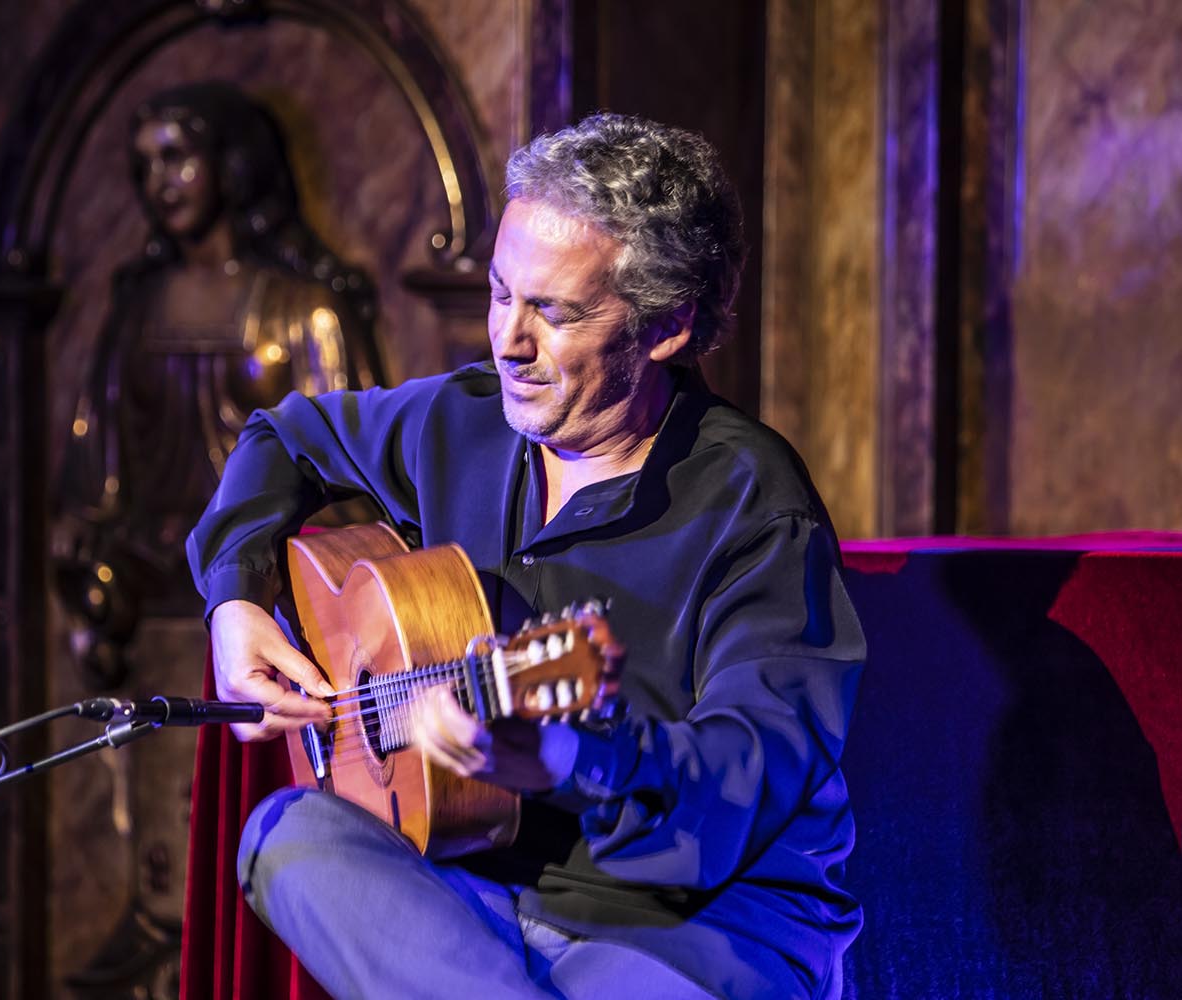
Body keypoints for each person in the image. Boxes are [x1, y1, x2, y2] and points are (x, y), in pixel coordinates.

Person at [187, 113, 865, 1000]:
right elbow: (285, 437)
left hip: (696, 919)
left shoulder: (755, 507)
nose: (507, 341)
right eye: (502, 294)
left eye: (553, 312)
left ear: (665, 326)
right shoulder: (461, 422)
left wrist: (572, 760)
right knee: (288, 835)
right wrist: (235, 602)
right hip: (479, 880)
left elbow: (741, 780)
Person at [54, 81, 383, 681]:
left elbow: (349, 460)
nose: (160, 181)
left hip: (277, 548)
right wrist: (85, 517)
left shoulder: (306, 308)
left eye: (176, 157)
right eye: (145, 165)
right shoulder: (136, 310)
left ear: (230, 165)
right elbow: (99, 457)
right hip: (160, 552)